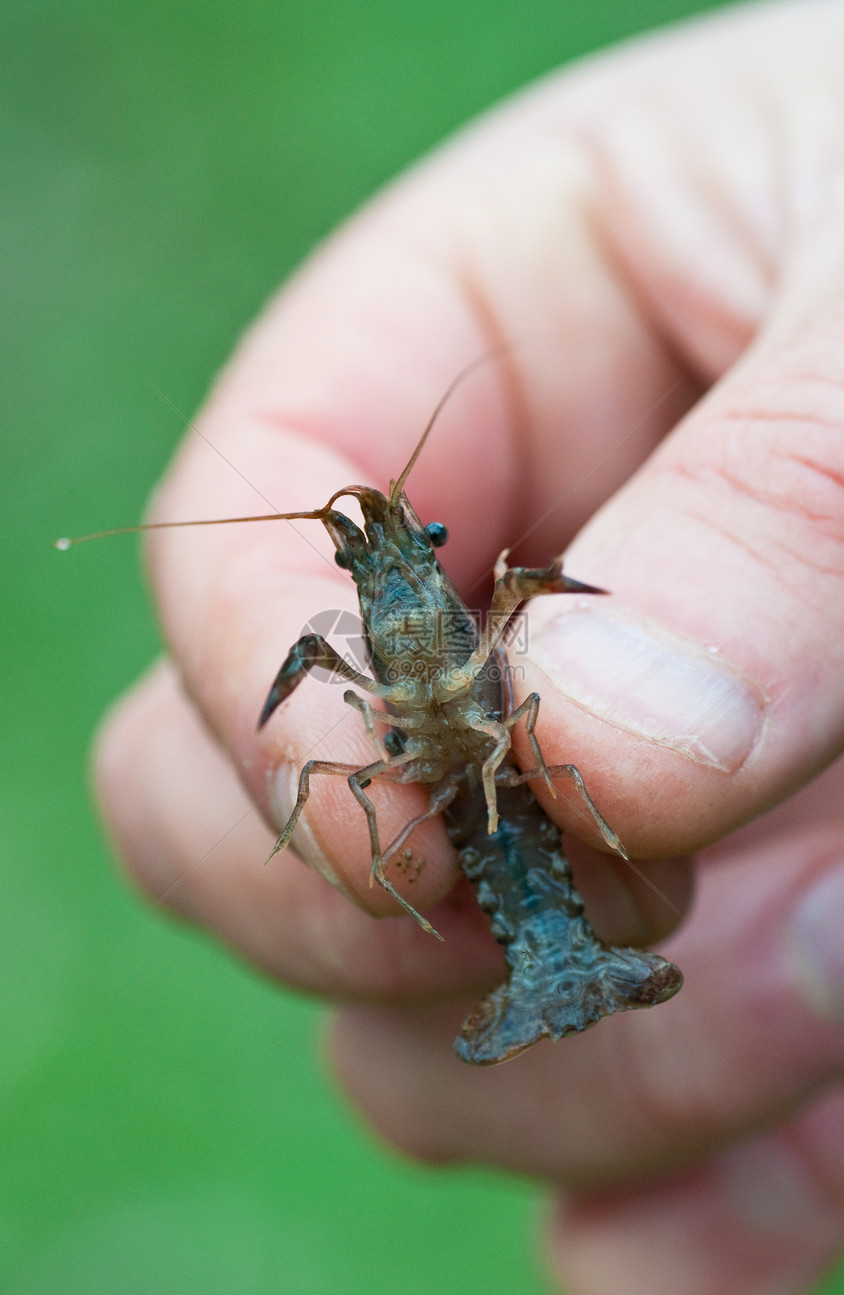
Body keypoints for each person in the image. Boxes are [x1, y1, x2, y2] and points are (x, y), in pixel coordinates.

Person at [94, 2, 844, 1291]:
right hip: (472, 801)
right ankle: (537, 950)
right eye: (365, 560)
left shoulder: (451, 603)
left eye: (406, 541)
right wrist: (313, 792)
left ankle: (556, 950)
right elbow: (326, 723)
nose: (384, 556)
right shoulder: (355, 637)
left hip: (505, 780)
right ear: (357, 590)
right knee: (327, 801)